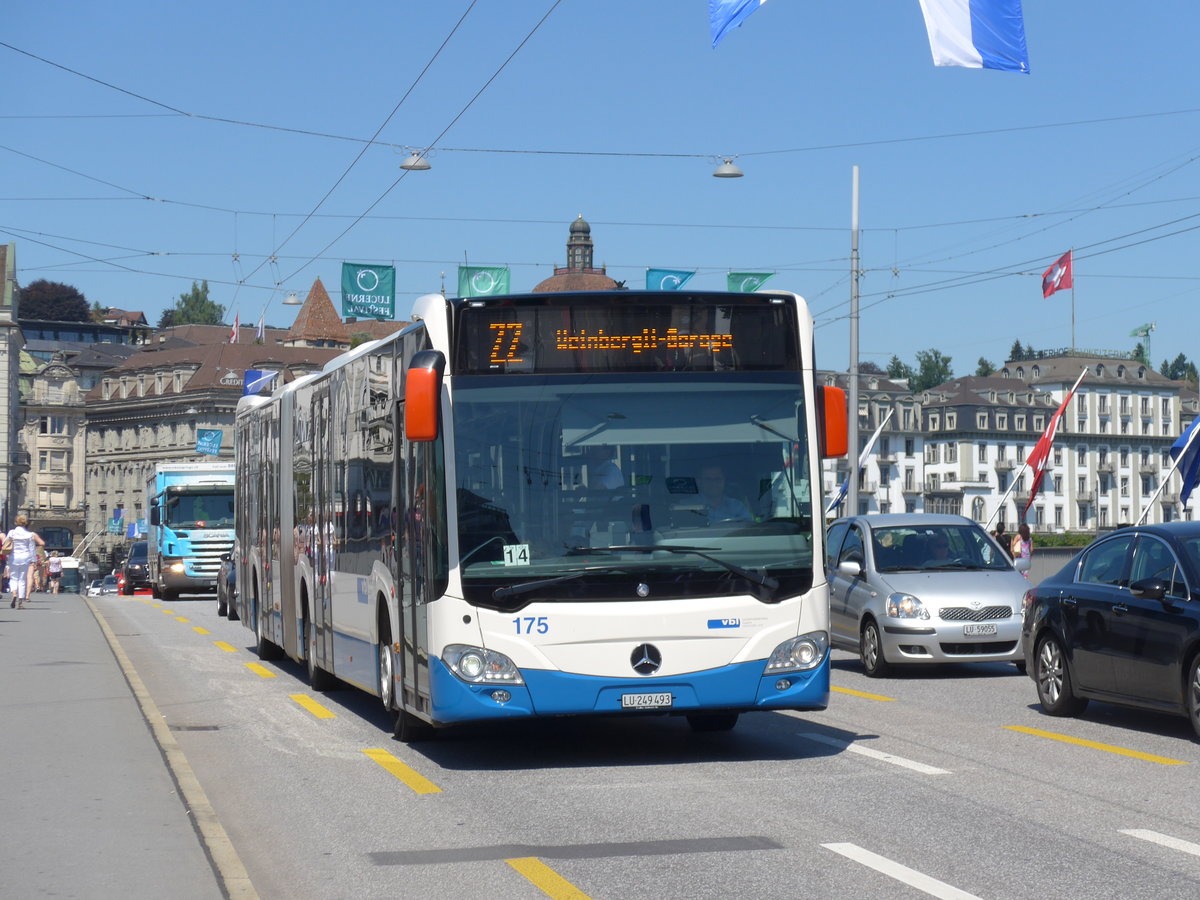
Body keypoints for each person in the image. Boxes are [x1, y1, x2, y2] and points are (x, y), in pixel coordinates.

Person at [7, 514, 46, 609]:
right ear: (26, 523)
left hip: (13, 557)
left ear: (16, 522)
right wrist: (34, 560)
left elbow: (5, 544)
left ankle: (14, 594)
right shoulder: (30, 534)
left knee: (13, 578)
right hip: (25, 557)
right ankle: (20, 602)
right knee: (22, 579)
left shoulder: (12, 532)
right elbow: (34, 547)